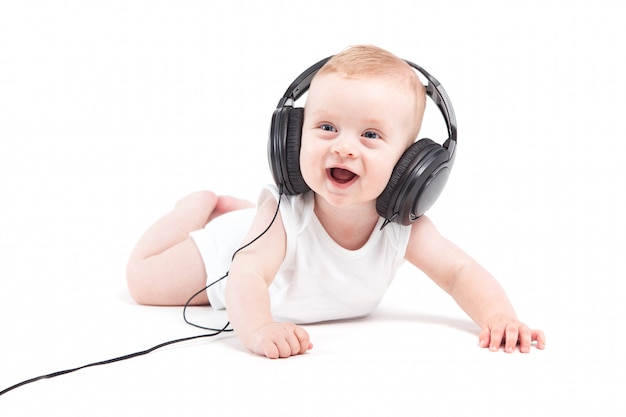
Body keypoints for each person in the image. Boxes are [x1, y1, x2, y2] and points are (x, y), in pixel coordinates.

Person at [126, 45, 545, 359]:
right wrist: (258, 329)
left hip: (252, 240)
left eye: (371, 135)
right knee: (143, 282)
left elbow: (460, 272)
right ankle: (195, 208)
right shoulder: (283, 215)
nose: (344, 147)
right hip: (226, 257)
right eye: (327, 126)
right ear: (292, 141)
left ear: (412, 166)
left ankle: (236, 211)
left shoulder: (404, 229)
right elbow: (248, 273)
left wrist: (498, 317)